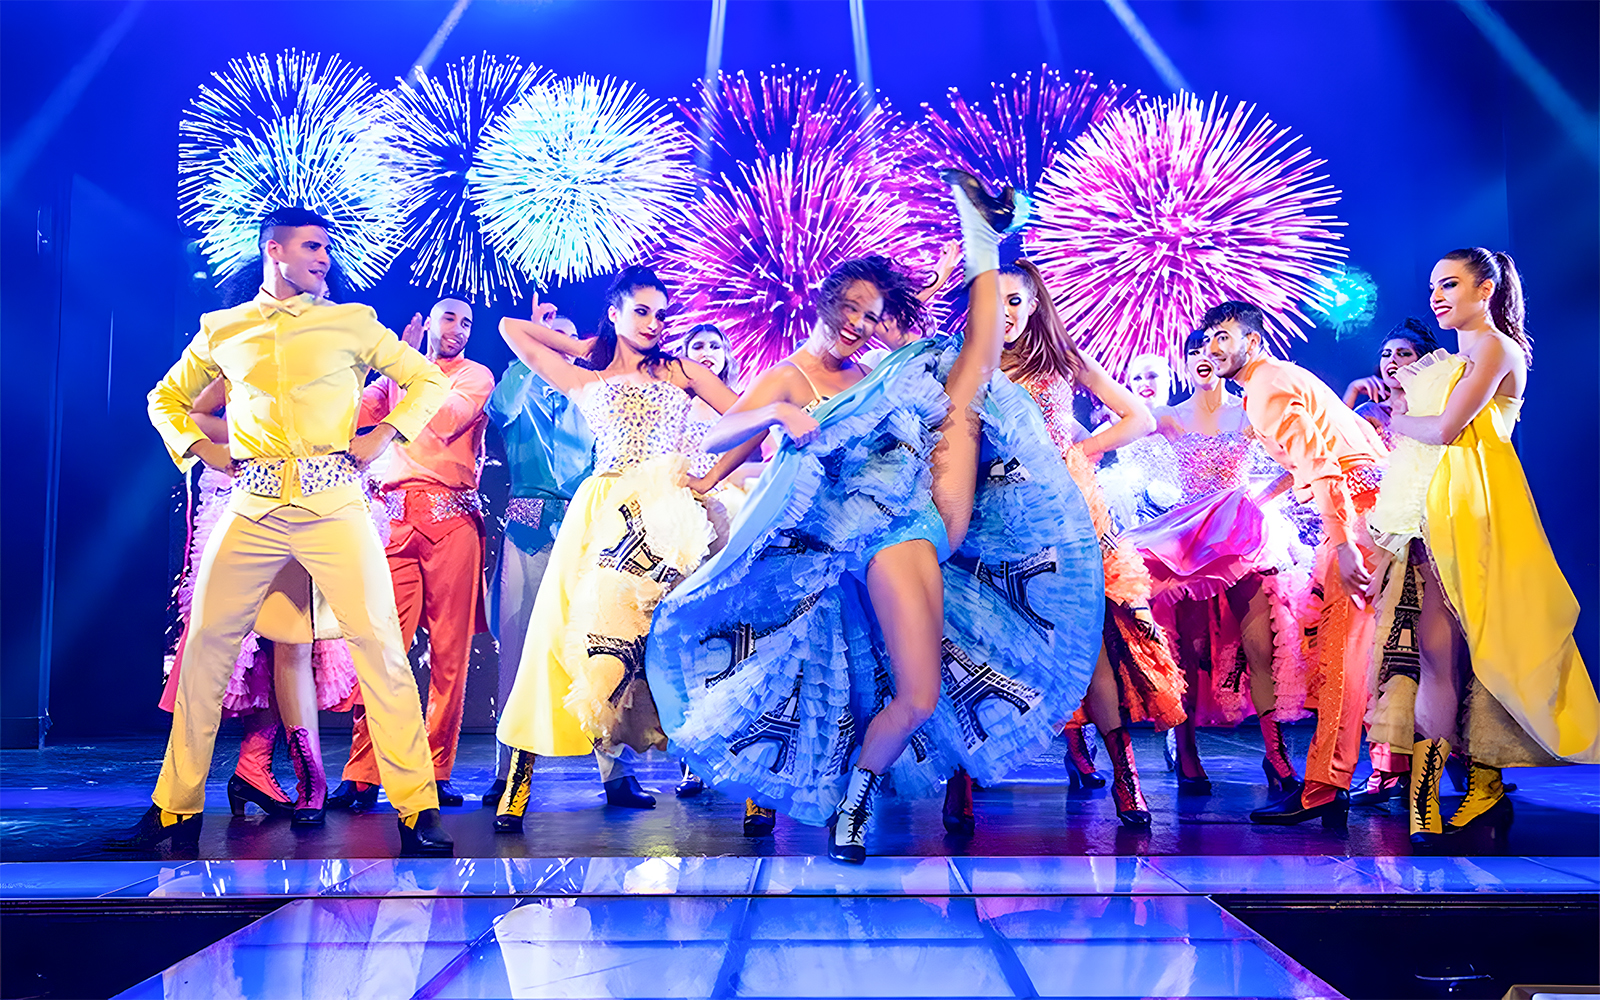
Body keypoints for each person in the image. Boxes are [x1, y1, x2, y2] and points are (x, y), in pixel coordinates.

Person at [645, 173, 1104, 864]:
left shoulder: (877, 375)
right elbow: (716, 433)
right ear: (827, 302)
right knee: (917, 694)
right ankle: (852, 806)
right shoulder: (790, 376)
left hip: (929, 523)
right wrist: (773, 414)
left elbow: (952, 364)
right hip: (873, 539)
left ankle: (985, 236)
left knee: (971, 373)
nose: (858, 327)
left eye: (872, 316)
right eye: (851, 311)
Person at [117, 206, 453, 856]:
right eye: (312, 247)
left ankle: (418, 810)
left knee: (381, 649)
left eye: (326, 248)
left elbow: (427, 378)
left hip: (334, 504)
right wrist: (198, 446)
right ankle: (174, 811)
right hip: (254, 506)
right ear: (275, 250)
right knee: (206, 649)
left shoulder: (350, 322)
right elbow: (166, 398)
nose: (324, 258)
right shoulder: (225, 326)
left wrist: (383, 434)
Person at [490, 266, 742, 833]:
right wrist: (581, 344)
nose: (654, 323)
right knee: (564, 635)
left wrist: (707, 477)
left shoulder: (681, 370)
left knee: (700, 638)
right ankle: (518, 785)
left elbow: (751, 420)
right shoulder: (586, 374)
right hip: (603, 512)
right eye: (641, 311)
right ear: (615, 312)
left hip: (672, 515)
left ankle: (752, 789)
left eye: (660, 312)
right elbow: (511, 328)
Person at [1365, 248, 1599, 851]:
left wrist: (1395, 416)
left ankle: (1476, 786)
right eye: (1432, 286)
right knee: (1439, 660)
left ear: (1486, 288)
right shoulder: (1452, 358)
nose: (1437, 296)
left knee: (1485, 652)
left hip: (1476, 508)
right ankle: (1426, 801)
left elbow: (1444, 431)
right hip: (1430, 510)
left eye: (1450, 284)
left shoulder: (1494, 348)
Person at [997, 259, 1183, 829]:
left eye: (1014, 301)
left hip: (1068, 511)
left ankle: (1125, 776)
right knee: (982, 642)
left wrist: (1080, 451)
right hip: (995, 515)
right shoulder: (966, 363)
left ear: (1032, 305)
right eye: (993, 300)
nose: (1004, 313)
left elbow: (1140, 417)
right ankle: (964, 785)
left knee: (1091, 643)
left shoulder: (1062, 358)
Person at [1199, 301, 1387, 829]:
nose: (1214, 348)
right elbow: (1330, 444)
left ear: (1252, 343)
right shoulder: (1279, 378)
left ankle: (1325, 785)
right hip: (1368, 510)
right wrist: (1260, 497)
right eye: (1209, 338)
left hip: (1358, 520)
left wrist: (1345, 541)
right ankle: (1332, 780)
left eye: (1225, 338)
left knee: (1340, 658)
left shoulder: (1263, 386)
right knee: (1351, 654)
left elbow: (1322, 462)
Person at [159, 375, 360, 828]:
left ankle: (300, 778)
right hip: (246, 508)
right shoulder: (241, 355)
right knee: (232, 655)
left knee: (293, 645)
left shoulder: (327, 355)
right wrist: (246, 440)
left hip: (313, 508)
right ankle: (197, 792)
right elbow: (191, 413)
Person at [1122, 330, 1314, 798]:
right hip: (1187, 543)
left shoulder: (1247, 413)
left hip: (1241, 537)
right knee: (1185, 653)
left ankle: (1276, 756)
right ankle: (1187, 754)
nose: (1203, 359)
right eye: (1194, 354)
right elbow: (1126, 452)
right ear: (1183, 365)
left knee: (1259, 647)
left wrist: (1253, 500)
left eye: (1211, 351)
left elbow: (1296, 462)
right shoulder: (1167, 417)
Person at [329, 298, 495, 811]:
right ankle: (362, 772)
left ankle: (435, 768)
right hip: (394, 520)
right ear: (427, 322)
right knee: (382, 650)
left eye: (467, 323)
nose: (459, 330)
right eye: (449, 318)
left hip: (452, 523)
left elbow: (444, 419)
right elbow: (347, 417)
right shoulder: (393, 381)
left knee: (449, 657)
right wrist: (380, 366)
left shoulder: (474, 375)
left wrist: (408, 364)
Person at [480, 316, 595, 811]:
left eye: (566, 335)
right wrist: (527, 354)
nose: (558, 342)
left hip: (585, 529)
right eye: (549, 333)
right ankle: (506, 770)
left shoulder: (594, 394)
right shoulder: (517, 392)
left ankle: (617, 772)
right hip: (528, 530)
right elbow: (501, 405)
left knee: (602, 649)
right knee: (517, 652)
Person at [1344, 318, 1439, 446]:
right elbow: (1338, 446)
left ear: (1423, 363)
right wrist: (1353, 390)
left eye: (1404, 354)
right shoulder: (1370, 412)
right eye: (1386, 354)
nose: (1392, 359)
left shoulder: (1438, 412)